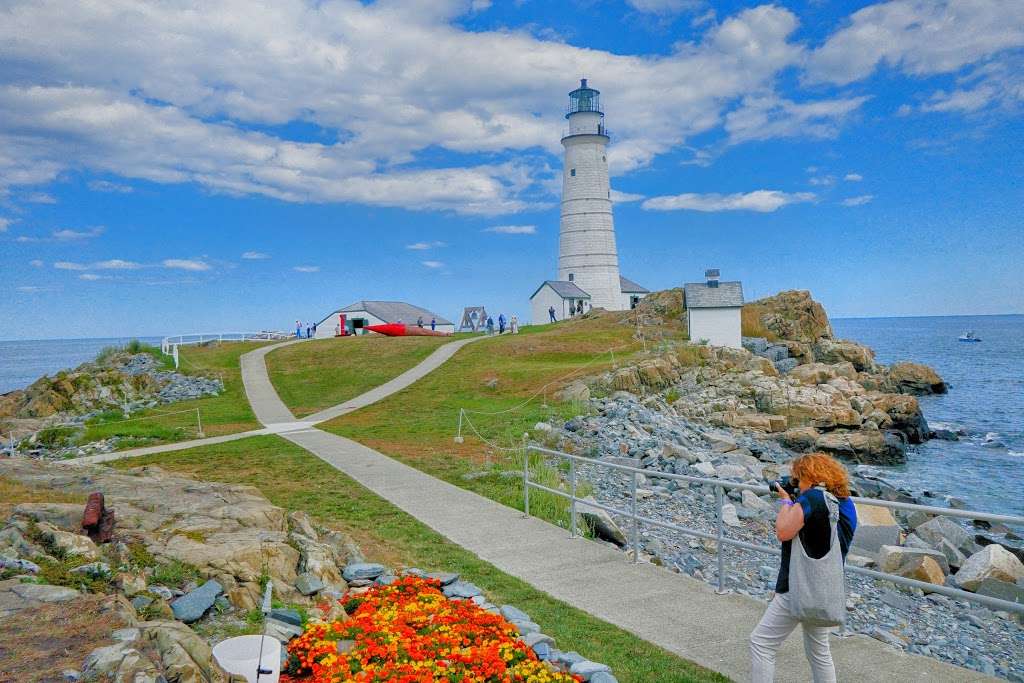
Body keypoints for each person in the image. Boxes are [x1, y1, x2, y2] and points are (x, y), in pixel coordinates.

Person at [750, 452, 858, 683]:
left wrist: (787, 501)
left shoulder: (813, 500)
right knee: (819, 652)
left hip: (798, 586)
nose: (796, 483)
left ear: (808, 475)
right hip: (825, 588)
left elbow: (783, 531)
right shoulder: (847, 504)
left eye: (797, 479)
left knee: (762, 642)